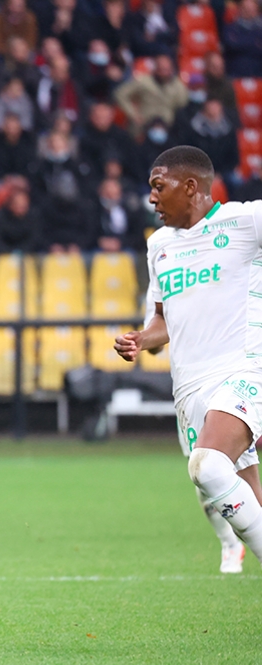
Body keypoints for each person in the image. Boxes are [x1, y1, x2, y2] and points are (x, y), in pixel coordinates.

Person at [114, 146, 262, 575]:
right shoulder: (159, 246)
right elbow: (163, 320)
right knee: (242, 494)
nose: (152, 198)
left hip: (242, 369)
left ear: (191, 187)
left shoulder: (246, 221)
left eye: (159, 187)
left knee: (208, 466)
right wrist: (141, 340)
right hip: (190, 388)